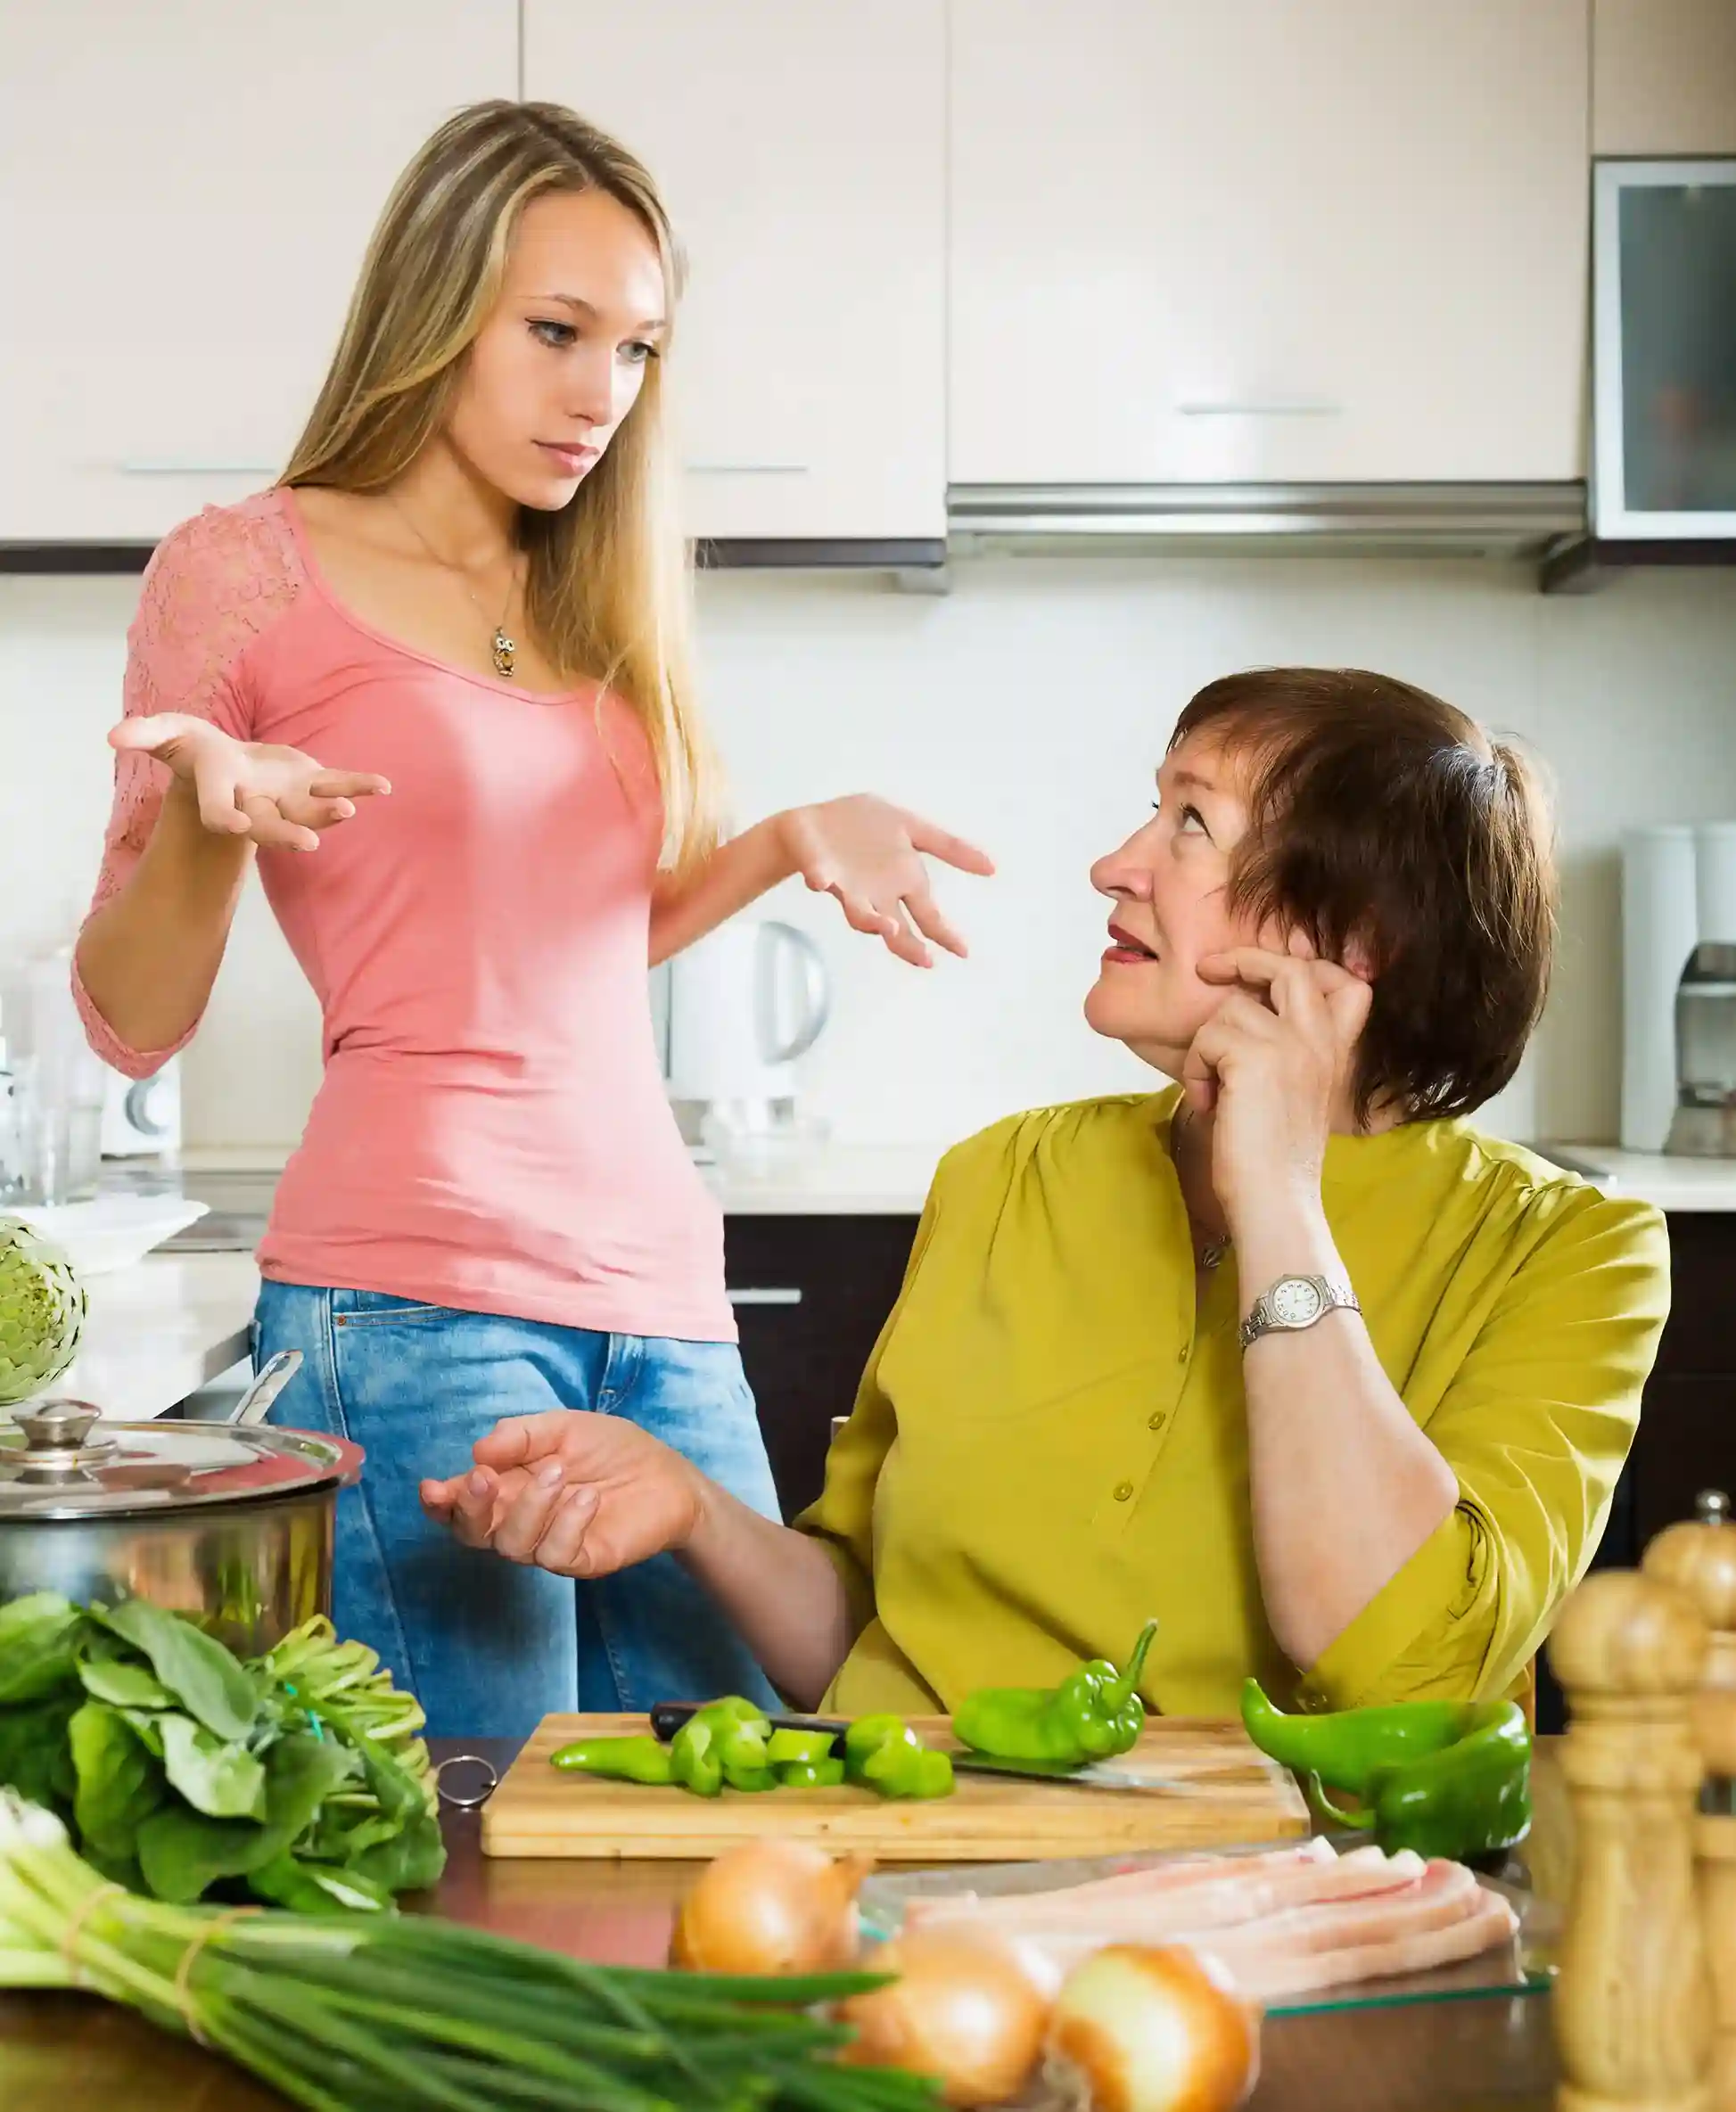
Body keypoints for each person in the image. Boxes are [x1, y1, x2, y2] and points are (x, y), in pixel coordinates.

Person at [73, 101, 991, 1739]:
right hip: (414, 1305)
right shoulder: (247, 571)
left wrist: (783, 838)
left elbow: (559, 946)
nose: (599, 396)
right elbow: (127, 1016)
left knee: (727, 1820)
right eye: (556, 333)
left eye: (636, 350)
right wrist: (210, 823)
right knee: (480, 1850)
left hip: (663, 1299)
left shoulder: (593, 586)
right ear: (436, 309)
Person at [423, 667, 1669, 1719]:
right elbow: (861, 1637)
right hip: (908, 1880)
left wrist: (1279, 1200)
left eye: (1190, 824)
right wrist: (689, 1506)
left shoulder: (1570, 1251)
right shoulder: (1005, 1175)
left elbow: (1396, 1668)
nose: (1112, 866)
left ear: (1355, 938)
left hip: (1275, 1918)